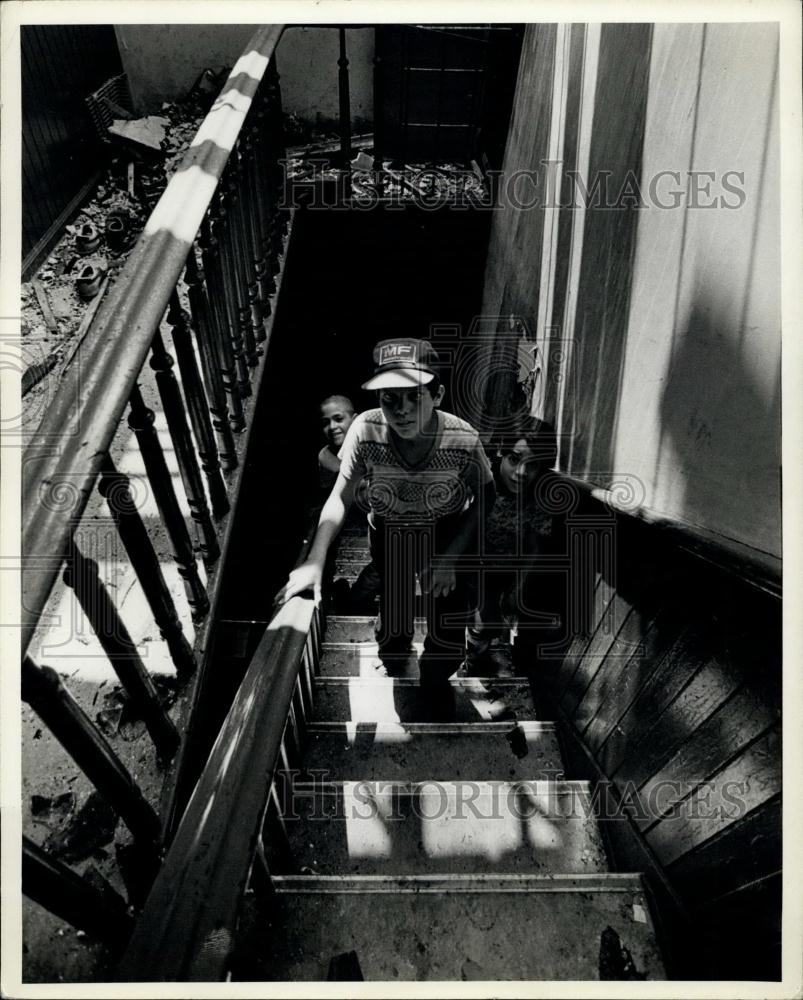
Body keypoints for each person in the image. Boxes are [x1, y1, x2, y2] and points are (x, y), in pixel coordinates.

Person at [279, 338, 495, 692]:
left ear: (437, 395)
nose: (402, 410)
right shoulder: (365, 430)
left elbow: (486, 496)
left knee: (447, 630)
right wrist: (315, 560)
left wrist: (450, 557)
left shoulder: (462, 439)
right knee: (394, 612)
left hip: (444, 534)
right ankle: (393, 658)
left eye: (415, 396)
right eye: (390, 398)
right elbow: (341, 496)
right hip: (390, 531)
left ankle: (434, 683)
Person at [466, 415, 562, 674]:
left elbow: (534, 545)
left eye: (532, 465)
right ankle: (474, 662)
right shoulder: (479, 482)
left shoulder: (539, 496)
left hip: (510, 567)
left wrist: (518, 586)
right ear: (501, 452)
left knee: (512, 617)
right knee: (484, 621)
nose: (521, 474)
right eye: (514, 459)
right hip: (476, 567)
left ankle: (497, 651)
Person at [317, 393, 380, 614]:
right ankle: (349, 600)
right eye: (326, 422)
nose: (332, 427)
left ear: (353, 419)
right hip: (344, 525)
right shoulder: (326, 456)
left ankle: (352, 601)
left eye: (338, 418)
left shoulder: (371, 445)